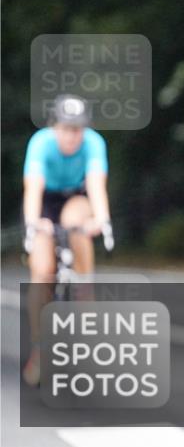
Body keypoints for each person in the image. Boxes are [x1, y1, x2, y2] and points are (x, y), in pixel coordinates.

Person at [21, 94, 112, 386]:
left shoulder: (94, 143)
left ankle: (85, 287)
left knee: (76, 223)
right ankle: (40, 347)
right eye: (66, 129)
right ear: (54, 127)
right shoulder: (40, 143)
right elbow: (33, 189)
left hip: (75, 198)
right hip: (45, 204)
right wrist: (34, 224)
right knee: (42, 270)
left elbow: (97, 186)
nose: (72, 136)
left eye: (78, 129)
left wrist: (101, 219)